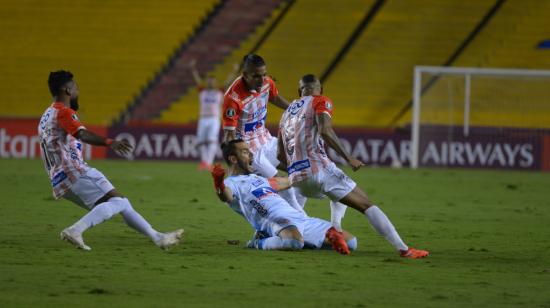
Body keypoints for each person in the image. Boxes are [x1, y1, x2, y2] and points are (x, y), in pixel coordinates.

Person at [277, 74, 429, 259]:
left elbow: (279, 155)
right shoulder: (321, 101)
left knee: (339, 191)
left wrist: (298, 169)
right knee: (366, 204)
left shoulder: (286, 113)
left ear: (300, 91)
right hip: (318, 170)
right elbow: (325, 130)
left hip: (297, 180)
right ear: (320, 89)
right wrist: (348, 157)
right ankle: (404, 249)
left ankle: (336, 230)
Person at [38, 70, 183, 251]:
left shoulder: (46, 115)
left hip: (59, 180)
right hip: (74, 171)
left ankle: (157, 237)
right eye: (75, 87)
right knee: (119, 202)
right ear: (67, 90)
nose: (77, 91)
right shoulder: (64, 112)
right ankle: (75, 230)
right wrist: (110, 142)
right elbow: (81, 134)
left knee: (122, 203)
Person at [210, 139, 357, 255]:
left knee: (351, 242)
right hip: (275, 222)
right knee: (294, 242)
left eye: (249, 151)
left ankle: (303, 240)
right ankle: (258, 242)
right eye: (245, 152)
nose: (251, 155)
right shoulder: (232, 183)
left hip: (301, 220)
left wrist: (311, 171)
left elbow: (288, 181)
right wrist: (219, 184)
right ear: (233, 159)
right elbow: (226, 197)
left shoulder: (260, 179)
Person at [222, 54, 304, 212]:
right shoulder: (233, 98)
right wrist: (238, 162)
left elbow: (274, 97)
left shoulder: (267, 83)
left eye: (264, 74)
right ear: (245, 75)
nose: (262, 79)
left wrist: (295, 110)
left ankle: (292, 222)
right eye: (256, 76)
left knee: (301, 173)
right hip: (251, 150)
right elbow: (229, 135)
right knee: (284, 186)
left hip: (266, 140)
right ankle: (303, 223)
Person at [189, 59, 239, 170]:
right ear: (206, 82)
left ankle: (208, 163)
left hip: (214, 119)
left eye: (212, 81)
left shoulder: (220, 92)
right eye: (208, 81)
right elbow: (197, 80)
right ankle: (204, 161)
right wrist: (193, 69)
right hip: (203, 118)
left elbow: (228, 82)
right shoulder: (202, 91)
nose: (210, 82)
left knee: (211, 139)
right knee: (201, 140)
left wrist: (234, 70)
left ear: (215, 82)